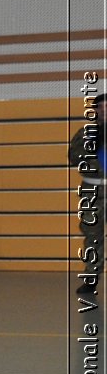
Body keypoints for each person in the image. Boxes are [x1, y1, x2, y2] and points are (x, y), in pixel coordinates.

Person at [70, 92, 103, 295]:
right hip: (92, 190)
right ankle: (91, 280)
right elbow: (72, 157)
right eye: (100, 107)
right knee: (93, 237)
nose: (104, 111)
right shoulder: (85, 133)